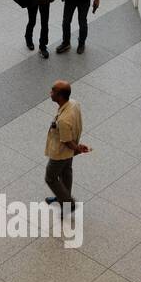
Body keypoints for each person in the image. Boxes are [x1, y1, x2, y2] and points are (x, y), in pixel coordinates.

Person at [44, 80, 88, 210]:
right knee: (66, 172)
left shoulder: (63, 120)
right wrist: (77, 147)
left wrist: (77, 148)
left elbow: (67, 141)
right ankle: (62, 196)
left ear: (60, 96)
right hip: (71, 149)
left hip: (60, 153)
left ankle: (68, 203)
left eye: (53, 91)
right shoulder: (74, 104)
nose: (50, 93)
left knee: (50, 177)